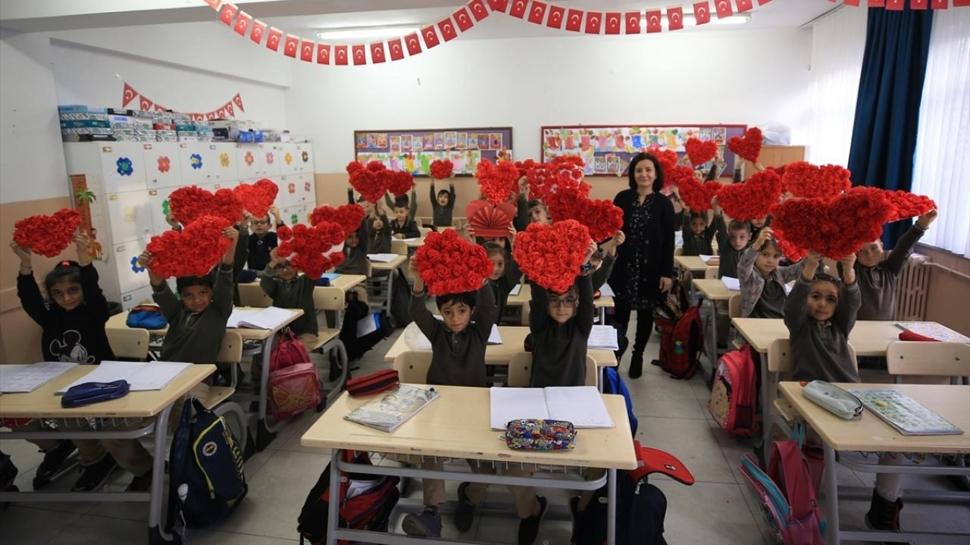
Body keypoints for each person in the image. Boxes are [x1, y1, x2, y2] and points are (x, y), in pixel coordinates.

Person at [784, 251, 906, 536]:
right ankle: (807, 508)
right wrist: (811, 266)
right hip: (813, 398)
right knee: (818, 446)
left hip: (851, 397)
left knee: (896, 443)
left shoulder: (841, 328)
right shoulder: (800, 328)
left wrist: (850, 270)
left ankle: (883, 511)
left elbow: (853, 303)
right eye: (816, 296)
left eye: (830, 299)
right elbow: (793, 306)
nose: (823, 304)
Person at [11, 233, 121, 492]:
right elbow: (29, 298)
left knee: (68, 417)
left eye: (73, 290)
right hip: (57, 382)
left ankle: (97, 459)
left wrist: (84, 257)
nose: (67, 298)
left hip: (96, 382)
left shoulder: (94, 313)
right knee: (18, 418)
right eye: (58, 293)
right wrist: (25, 263)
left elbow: (93, 290)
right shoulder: (49, 317)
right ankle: (58, 446)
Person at [401, 256, 499, 539]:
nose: (455, 318)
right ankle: (431, 513)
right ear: (441, 314)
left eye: (461, 311)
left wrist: (480, 277)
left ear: (471, 312)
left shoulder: (479, 333)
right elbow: (417, 310)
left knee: (486, 469)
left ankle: (469, 497)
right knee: (431, 456)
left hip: (474, 409)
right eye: (448, 312)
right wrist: (419, 280)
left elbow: (490, 308)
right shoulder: (437, 333)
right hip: (438, 406)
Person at [609, 152, 676, 378]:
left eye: (648, 170)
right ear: (633, 174)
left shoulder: (664, 204)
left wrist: (668, 273)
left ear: (656, 174)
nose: (644, 174)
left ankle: (638, 355)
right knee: (620, 314)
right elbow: (611, 228)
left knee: (646, 314)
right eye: (639, 170)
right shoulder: (622, 198)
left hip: (652, 268)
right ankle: (616, 355)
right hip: (624, 267)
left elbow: (669, 241)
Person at [145, 226, 238, 363]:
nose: (197, 300)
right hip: (165, 371)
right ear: (181, 296)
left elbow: (225, 276)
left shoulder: (218, 311)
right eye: (188, 295)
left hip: (198, 377)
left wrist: (232, 243)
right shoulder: (177, 312)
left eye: (203, 293)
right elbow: (160, 288)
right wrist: (151, 265)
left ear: (212, 292)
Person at [854, 210, 937, 321]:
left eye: (874, 248)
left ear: (882, 246)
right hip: (859, 330)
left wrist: (921, 225)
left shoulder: (889, 270)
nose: (869, 254)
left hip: (886, 329)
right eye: (861, 251)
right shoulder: (852, 271)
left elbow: (904, 247)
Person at [738, 227, 803, 319]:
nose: (770, 261)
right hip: (755, 326)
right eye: (765, 254)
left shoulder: (778, 273)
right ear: (756, 254)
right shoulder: (749, 277)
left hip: (779, 323)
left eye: (776, 256)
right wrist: (757, 245)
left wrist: (813, 255)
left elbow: (798, 270)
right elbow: (744, 264)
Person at [261, 248, 318, 352]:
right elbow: (265, 283)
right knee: (266, 348)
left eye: (289, 265)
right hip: (281, 330)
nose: (285, 270)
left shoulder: (305, 282)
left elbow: (315, 269)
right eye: (279, 267)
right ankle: (264, 368)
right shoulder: (275, 285)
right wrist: (273, 262)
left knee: (298, 349)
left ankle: (298, 368)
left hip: (305, 330)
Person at [246, 206, 284, 272]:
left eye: (262, 222)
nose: (259, 225)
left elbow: (284, 236)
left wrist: (277, 217)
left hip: (273, 272)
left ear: (270, 226)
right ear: (251, 227)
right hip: (253, 274)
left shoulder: (274, 237)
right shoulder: (248, 240)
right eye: (255, 223)